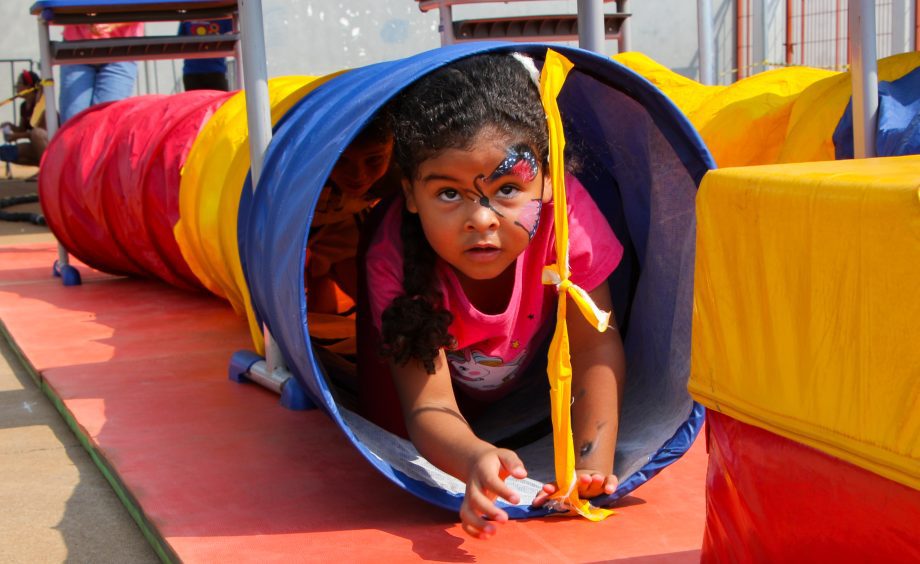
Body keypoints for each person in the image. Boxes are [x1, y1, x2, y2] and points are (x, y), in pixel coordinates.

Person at [359, 53, 627, 539]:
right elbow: (427, 406)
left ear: (547, 183)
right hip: (408, 398)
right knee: (387, 450)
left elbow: (594, 346)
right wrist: (474, 458)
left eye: (507, 189)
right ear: (412, 195)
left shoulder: (566, 224)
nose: (481, 219)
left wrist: (590, 464)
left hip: (519, 395)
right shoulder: (394, 262)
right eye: (448, 193)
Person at [306, 113, 395, 316]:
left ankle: (320, 271)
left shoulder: (399, 173)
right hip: (300, 224)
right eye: (341, 160)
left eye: (374, 160)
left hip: (343, 223)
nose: (357, 175)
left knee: (371, 297)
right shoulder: (304, 174)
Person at [59, 23, 144, 123]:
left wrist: (115, 22)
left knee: (108, 119)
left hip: (122, 48)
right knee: (72, 119)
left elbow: (149, 7)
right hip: (76, 46)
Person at [1, 70, 48, 168]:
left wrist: (17, 136)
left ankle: (47, 168)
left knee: (36, 134)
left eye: (19, 83)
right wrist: (10, 126)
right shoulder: (24, 106)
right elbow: (22, 130)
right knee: (7, 152)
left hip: (49, 144)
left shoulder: (41, 106)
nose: (16, 87)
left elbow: (41, 133)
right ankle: (41, 166)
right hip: (36, 144)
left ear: (29, 87)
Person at [177, 19, 233, 91]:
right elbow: (180, 42)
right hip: (194, 72)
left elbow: (232, 37)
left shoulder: (225, 17)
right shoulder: (187, 17)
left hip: (215, 71)